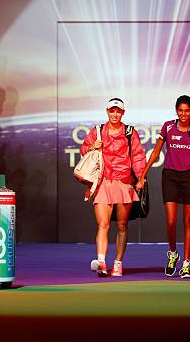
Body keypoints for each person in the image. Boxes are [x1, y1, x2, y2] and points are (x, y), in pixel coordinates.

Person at [139, 95, 190, 279]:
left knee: (188, 222)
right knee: (170, 221)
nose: (183, 114)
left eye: (187, 110)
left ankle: (185, 264)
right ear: (176, 111)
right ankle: (173, 254)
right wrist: (143, 174)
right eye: (180, 110)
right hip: (170, 176)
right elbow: (155, 151)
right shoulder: (168, 126)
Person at [80, 98, 146, 277]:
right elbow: (84, 149)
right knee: (103, 225)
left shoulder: (130, 132)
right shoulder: (98, 131)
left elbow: (138, 156)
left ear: (123, 113)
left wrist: (140, 178)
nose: (115, 114)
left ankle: (118, 262)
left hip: (124, 183)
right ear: (107, 111)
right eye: (112, 111)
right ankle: (101, 262)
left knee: (122, 225)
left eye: (118, 111)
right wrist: (93, 145)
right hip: (103, 183)